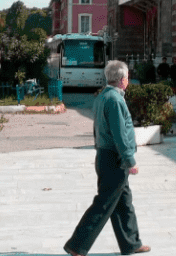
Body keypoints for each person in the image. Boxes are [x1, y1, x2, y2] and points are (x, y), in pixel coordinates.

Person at [64, 61, 151, 256]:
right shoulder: (114, 100)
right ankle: (77, 245)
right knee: (103, 205)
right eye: (127, 77)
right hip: (114, 159)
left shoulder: (104, 96)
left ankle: (131, 244)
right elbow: (119, 134)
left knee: (124, 203)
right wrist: (130, 160)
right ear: (122, 80)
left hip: (106, 156)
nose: (128, 80)